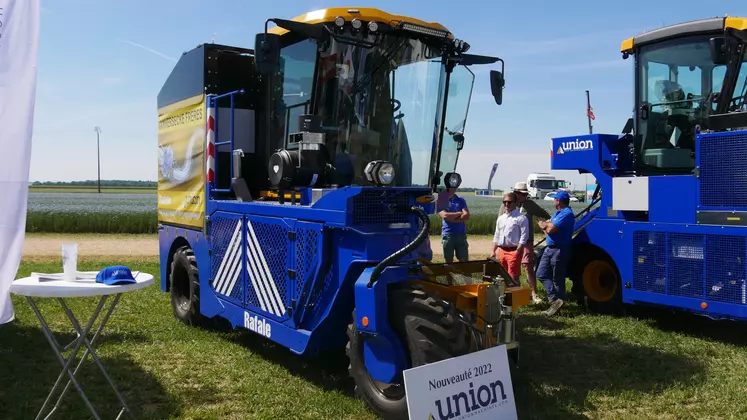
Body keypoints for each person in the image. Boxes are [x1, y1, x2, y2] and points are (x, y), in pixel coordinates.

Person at [535, 190, 575, 316]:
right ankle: (554, 300)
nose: (553, 200)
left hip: (559, 249)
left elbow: (550, 229)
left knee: (558, 278)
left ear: (559, 201)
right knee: (541, 273)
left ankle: (558, 308)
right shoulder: (558, 213)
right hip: (550, 248)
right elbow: (547, 230)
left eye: (555, 199)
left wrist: (541, 223)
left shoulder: (567, 214)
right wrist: (546, 225)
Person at [511, 182, 549, 304]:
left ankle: (534, 294)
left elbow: (544, 214)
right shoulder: (508, 203)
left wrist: (548, 225)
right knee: (513, 266)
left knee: (527, 266)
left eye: (525, 194)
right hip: (513, 241)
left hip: (527, 240)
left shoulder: (529, 204)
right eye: (522, 194)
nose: (524, 196)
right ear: (516, 193)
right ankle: (517, 291)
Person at [491, 192, 529, 282]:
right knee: (502, 276)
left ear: (516, 203)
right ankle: (504, 294)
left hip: (513, 251)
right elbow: (497, 235)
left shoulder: (521, 218)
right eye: (504, 202)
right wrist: (493, 251)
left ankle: (516, 294)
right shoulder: (501, 218)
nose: (506, 204)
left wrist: (517, 251)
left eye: (509, 202)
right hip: (502, 251)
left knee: (513, 277)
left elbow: (524, 236)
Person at [439, 187, 470, 263]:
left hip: (461, 235)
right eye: (449, 188)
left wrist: (453, 219)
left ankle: (463, 274)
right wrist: (459, 213)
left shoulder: (461, 200)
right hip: (448, 235)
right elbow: (444, 215)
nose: (451, 189)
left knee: (464, 261)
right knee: (448, 261)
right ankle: (449, 275)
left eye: (453, 188)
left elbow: (467, 215)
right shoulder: (442, 200)